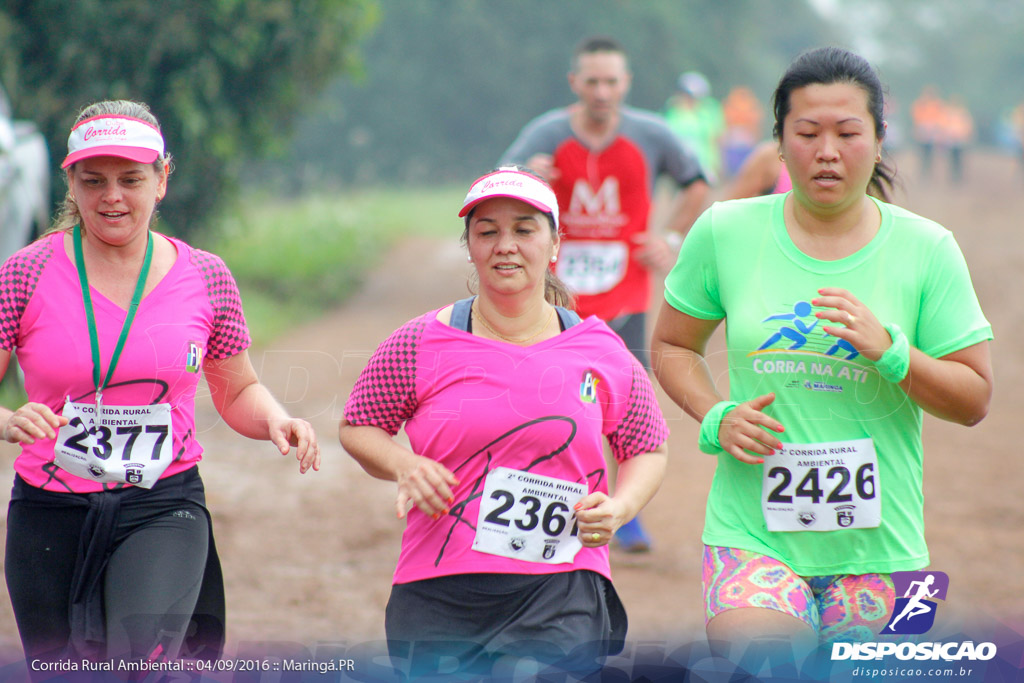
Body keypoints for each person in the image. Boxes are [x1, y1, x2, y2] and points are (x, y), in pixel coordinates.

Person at [651, 47, 993, 658]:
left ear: (881, 141)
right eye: (807, 133)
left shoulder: (928, 249)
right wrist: (714, 414)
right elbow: (674, 344)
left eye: (848, 132)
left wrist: (893, 353)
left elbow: (973, 398)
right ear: (779, 144)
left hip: (884, 551)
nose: (827, 150)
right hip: (751, 535)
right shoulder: (725, 232)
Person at [1, 100, 320, 669]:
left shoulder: (207, 276)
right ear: (70, 182)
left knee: (138, 665)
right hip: (49, 512)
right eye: (93, 181)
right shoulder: (23, 273)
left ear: (162, 180)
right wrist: (7, 419)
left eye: (131, 179)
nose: (112, 197)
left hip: (162, 506)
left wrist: (276, 418)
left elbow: (238, 390)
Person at [338, 167, 668, 678]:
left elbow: (646, 444)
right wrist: (404, 464)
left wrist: (621, 508)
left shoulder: (601, 349)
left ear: (555, 243)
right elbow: (359, 426)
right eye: (487, 231)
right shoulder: (419, 341)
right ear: (469, 246)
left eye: (524, 229)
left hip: (561, 585)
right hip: (440, 587)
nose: (505, 245)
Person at [499, 35, 708, 553]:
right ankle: (531, 505)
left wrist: (671, 239)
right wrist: (526, 176)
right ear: (575, 84)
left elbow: (697, 184)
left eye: (611, 81)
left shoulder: (651, 133)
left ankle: (625, 514)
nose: (601, 91)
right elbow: (495, 186)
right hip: (553, 295)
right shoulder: (545, 132)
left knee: (624, 400)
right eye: (591, 81)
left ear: (626, 84)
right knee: (540, 397)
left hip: (626, 293)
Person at [665, 71, 726, 182]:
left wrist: (719, 165)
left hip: (705, 164)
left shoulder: (709, 112)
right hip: (678, 165)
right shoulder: (673, 112)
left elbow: (717, 140)